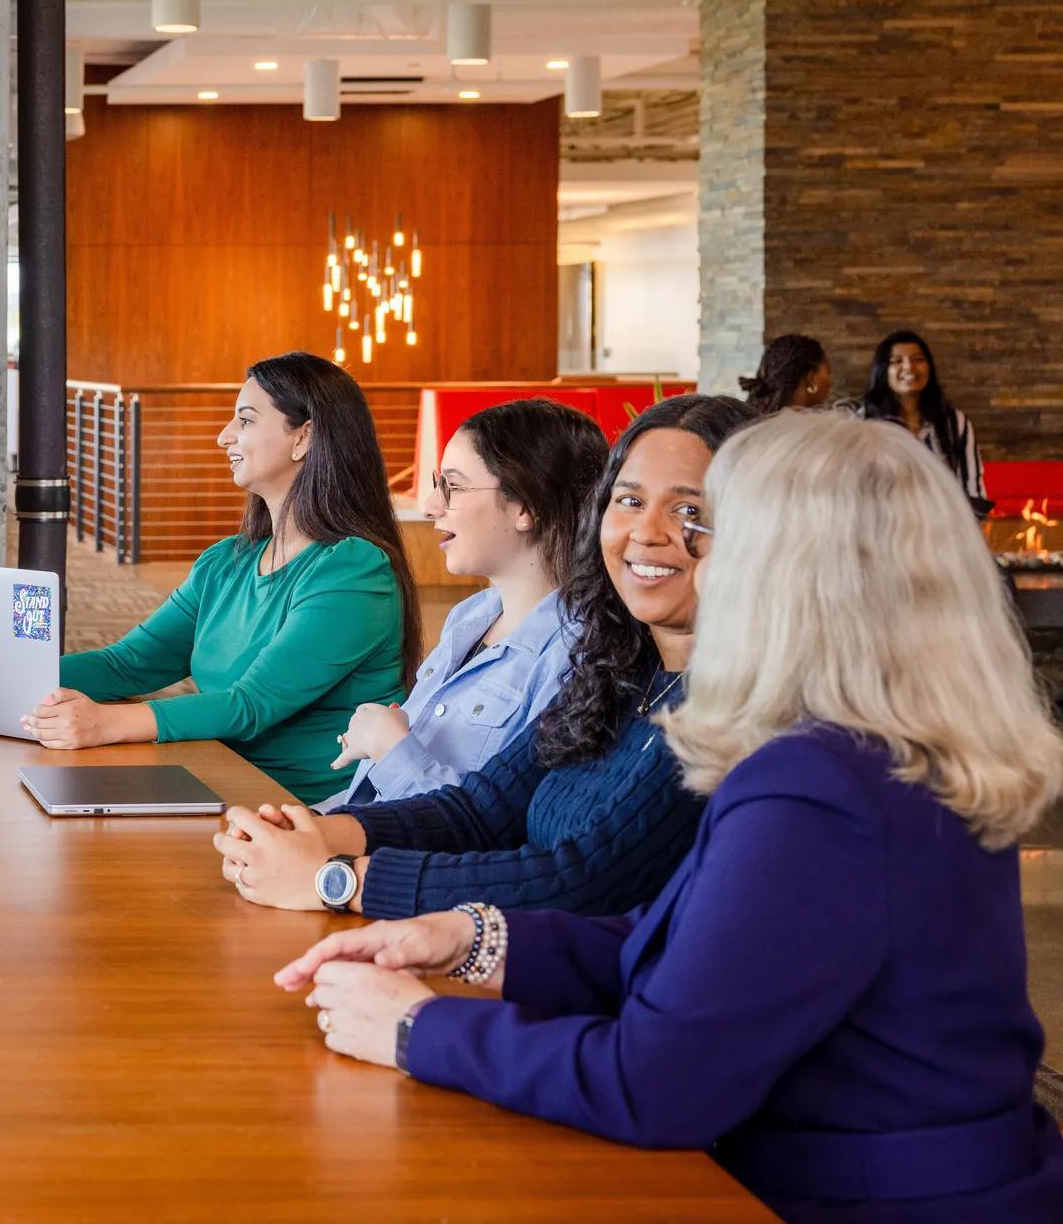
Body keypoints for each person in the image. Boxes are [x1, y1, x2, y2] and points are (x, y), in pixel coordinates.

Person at [279, 410, 1063, 1221]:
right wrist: (474, 937)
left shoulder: (816, 780)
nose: (691, 556)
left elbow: (657, 1082)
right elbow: (690, 945)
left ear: (788, 572)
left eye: (709, 529)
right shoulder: (884, 741)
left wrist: (419, 1028)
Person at [216, 394, 756, 917]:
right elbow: (481, 810)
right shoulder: (618, 663)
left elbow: (579, 880)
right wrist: (314, 831)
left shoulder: (736, 702)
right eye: (630, 501)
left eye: (688, 510)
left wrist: (336, 878)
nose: (645, 531)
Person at [27, 352, 417, 806]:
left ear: (304, 438)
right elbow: (127, 664)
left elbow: (251, 705)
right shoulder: (226, 563)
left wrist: (103, 724)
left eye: (246, 421)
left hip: (311, 813)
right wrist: (12, 676)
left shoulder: (353, 570)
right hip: (219, 780)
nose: (224, 436)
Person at [320, 398, 608, 809]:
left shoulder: (574, 654)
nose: (430, 506)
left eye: (452, 487)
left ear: (526, 506)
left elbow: (500, 822)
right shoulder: (470, 616)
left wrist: (391, 747)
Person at [861, 328, 988, 515]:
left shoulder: (955, 423)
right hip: (882, 534)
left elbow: (973, 492)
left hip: (943, 533)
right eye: (897, 361)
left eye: (918, 359)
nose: (909, 367)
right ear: (883, 371)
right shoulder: (863, 423)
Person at [736, 332, 832, 414]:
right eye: (829, 374)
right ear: (811, 379)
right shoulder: (819, 431)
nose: (830, 383)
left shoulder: (746, 424)